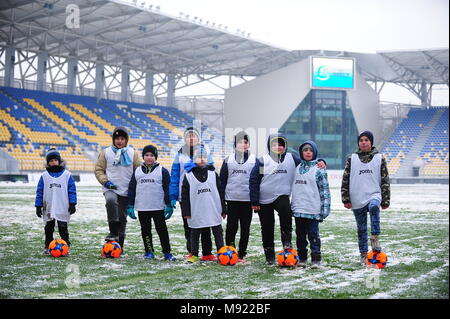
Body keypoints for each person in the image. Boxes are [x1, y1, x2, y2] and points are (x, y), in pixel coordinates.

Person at [249, 133, 326, 265]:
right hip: (264, 199)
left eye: (280, 144)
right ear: (269, 146)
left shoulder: (291, 159)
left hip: (281, 195)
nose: (277, 147)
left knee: (286, 211)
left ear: (285, 146)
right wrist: (254, 201)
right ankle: (269, 256)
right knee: (267, 227)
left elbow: (307, 162)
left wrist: (321, 161)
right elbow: (254, 180)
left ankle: (287, 242)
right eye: (274, 144)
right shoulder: (263, 160)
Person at [341, 131, 390, 266]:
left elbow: (385, 180)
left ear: (371, 142)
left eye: (366, 140)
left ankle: (375, 237)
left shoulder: (380, 158)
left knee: (374, 206)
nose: (363, 142)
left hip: (374, 194)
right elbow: (345, 179)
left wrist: (385, 200)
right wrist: (345, 198)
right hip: (357, 197)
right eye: (361, 140)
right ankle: (363, 254)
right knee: (361, 228)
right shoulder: (352, 158)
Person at [169, 126, 214, 259]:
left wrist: (195, 165)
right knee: (188, 223)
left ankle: (207, 252)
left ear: (198, 138)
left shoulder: (205, 151)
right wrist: (172, 196)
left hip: (202, 193)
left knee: (205, 222)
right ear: (185, 139)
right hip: (186, 195)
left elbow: (210, 167)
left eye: (194, 135)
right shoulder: (179, 154)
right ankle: (192, 251)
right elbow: (175, 175)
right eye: (189, 136)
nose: (191, 138)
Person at [94, 126, 141, 251]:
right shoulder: (106, 152)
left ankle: (119, 246)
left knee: (122, 218)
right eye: (117, 138)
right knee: (110, 201)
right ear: (113, 139)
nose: (119, 141)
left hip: (126, 191)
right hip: (110, 188)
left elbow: (139, 171)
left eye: (122, 138)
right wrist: (106, 182)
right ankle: (113, 232)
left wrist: (134, 187)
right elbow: (99, 169)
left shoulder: (133, 153)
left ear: (126, 140)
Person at [127, 145, 176, 261]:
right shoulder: (137, 171)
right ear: (143, 156)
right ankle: (149, 251)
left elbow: (167, 188)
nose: (149, 158)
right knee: (145, 230)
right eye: (147, 155)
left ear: (156, 157)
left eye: (152, 155)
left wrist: (169, 204)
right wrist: (130, 205)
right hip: (142, 208)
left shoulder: (162, 171)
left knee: (162, 230)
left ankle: (167, 252)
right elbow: (132, 189)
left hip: (158, 207)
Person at [181, 146, 227, 263]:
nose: (202, 159)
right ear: (194, 159)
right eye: (199, 157)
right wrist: (186, 212)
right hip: (196, 209)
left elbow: (220, 192)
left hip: (213, 208)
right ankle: (194, 254)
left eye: (204, 157)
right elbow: (185, 196)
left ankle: (221, 253)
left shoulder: (213, 173)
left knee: (217, 231)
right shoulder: (188, 176)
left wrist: (223, 208)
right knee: (195, 232)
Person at [291, 141, 330, 268]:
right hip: (298, 209)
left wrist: (325, 209)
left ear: (314, 152)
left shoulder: (319, 169)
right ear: (301, 153)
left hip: (313, 210)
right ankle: (302, 258)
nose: (308, 152)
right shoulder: (296, 168)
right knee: (300, 237)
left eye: (310, 150)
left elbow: (324, 191)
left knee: (313, 235)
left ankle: (316, 259)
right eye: (305, 150)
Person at [219, 131, 255, 262]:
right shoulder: (228, 160)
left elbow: (258, 181)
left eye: (245, 142)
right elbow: (222, 182)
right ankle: (230, 250)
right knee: (231, 227)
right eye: (240, 142)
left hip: (247, 201)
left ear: (248, 144)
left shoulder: (254, 160)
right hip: (232, 200)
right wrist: (222, 204)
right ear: (235, 145)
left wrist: (256, 201)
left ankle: (241, 254)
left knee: (245, 228)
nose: (243, 144)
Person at [35, 148, 77, 255]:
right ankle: (47, 245)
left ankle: (66, 246)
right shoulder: (44, 176)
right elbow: (39, 191)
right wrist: (38, 205)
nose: (53, 162)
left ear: (59, 161)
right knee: (49, 228)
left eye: (55, 160)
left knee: (63, 227)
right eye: (51, 161)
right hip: (48, 207)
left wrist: (73, 203)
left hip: (62, 206)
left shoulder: (67, 175)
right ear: (48, 162)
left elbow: (72, 190)